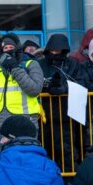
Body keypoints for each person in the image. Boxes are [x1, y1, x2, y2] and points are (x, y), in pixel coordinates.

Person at [0, 34, 44, 154]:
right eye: (5, 49)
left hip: (24, 124)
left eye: (11, 47)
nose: (8, 51)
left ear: (17, 47)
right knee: (2, 164)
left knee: (26, 162)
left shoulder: (31, 64)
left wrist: (14, 68)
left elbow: (34, 89)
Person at [37, 33, 83, 172]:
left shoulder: (73, 64)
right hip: (44, 114)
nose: (55, 53)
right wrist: (47, 87)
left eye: (58, 50)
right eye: (52, 50)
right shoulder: (40, 64)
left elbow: (81, 82)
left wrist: (64, 88)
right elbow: (34, 82)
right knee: (44, 148)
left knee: (66, 148)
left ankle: (68, 177)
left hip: (66, 114)